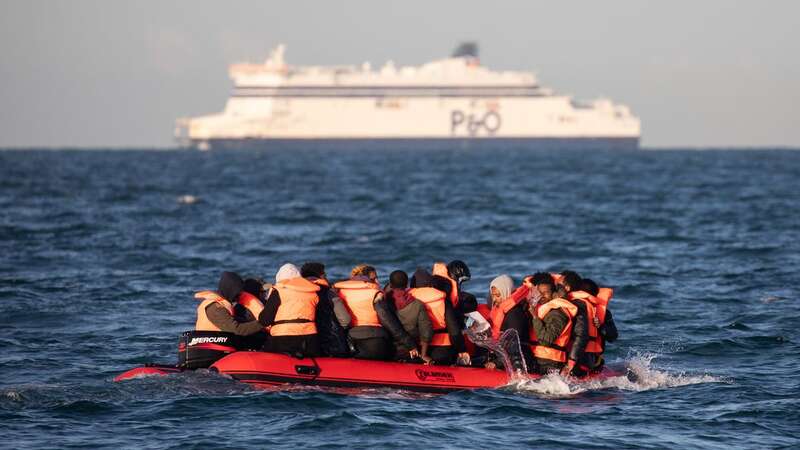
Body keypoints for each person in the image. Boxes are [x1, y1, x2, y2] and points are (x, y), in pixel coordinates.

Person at [334, 267, 415, 360]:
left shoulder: (339, 292)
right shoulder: (375, 294)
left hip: (350, 343)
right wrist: (410, 344)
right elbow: (388, 322)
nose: (377, 281)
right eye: (373, 279)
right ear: (366, 280)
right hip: (375, 342)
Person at [259, 263, 322, 356]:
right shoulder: (313, 291)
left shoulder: (278, 291)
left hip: (282, 340)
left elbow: (265, 320)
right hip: (310, 340)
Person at [410, 269, 470, 365]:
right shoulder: (441, 299)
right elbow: (454, 331)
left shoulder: (408, 299)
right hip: (442, 349)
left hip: (416, 349)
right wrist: (462, 350)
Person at [528, 272, 579, 375]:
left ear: (553, 294)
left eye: (545, 293)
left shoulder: (558, 313)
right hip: (540, 360)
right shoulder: (545, 309)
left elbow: (546, 340)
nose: (541, 296)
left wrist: (535, 317)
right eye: (540, 293)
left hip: (550, 363)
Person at [300, 262, 352, 357]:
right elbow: (345, 320)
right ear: (321, 276)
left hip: (305, 344)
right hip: (330, 344)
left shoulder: (296, 292)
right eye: (325, 275)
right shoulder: (329, 293)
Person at [484, 274, 533, 372]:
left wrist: (497, 363)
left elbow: (514, 346)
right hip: (503, 359)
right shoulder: (501, 310)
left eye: (498, 295)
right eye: (493, 295)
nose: (494, 299)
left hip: (518, 364)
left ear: (506, 291)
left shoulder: (514, 314)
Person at [568, 278, 618, 373]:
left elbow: (613, 336)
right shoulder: (603, 312)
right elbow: (613, 336)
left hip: (568, 358)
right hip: (589, 361)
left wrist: (600, 326)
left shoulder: (567, 305)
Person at [194, 271, 267, 336]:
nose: (239, 296)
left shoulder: (224, 305)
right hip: (210, 345)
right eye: (237, 292)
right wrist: (263, 322)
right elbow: (236, 329)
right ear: (229, 290)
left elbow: (239, 322)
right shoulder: (215, 307)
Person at [385, 270, 433, 363]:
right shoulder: (418, 304)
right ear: (407, 284)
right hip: (412, 350)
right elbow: (426, 331)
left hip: (388, 349)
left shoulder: (383, 303)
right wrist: (424, 355)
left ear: (390, 285)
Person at [557, 270, 589, 376]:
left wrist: (571, 362)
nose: (555, 286)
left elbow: (581, 335)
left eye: (558, 285)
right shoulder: (565, 303)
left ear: (567, 288)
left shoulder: (578, 306)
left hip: (580, 360)